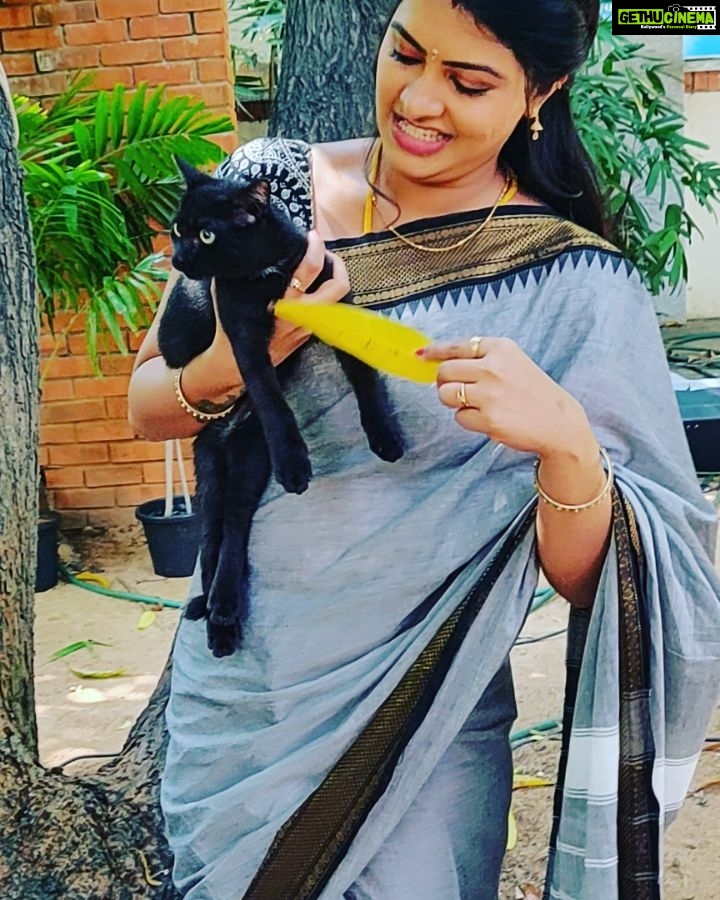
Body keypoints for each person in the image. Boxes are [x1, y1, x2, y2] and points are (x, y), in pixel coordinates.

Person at [128, 0, 720, 897]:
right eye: (405, 55)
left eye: (467, 82)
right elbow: (149, 405)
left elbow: (599, 580)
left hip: (427, 711)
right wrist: (242, 359)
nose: (417, 100)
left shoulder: (576, 282)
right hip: (244, 696)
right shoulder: (270, 190)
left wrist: (567, 447)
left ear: (541, 92)